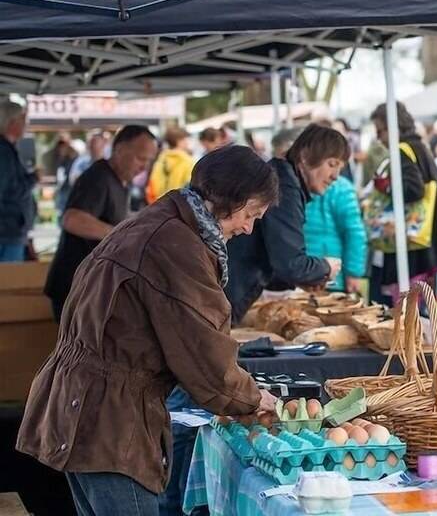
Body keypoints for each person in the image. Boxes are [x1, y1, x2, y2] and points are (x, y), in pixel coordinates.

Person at [17, 146, 281, 516]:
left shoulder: (161, 221)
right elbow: (205, 355)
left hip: (83, 408)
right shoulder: (175, 245)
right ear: (230, 198)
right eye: (250, 214)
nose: (248, 227)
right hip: (108, 421)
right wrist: (253, 399)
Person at [226, 123, 345, 323]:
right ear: (306, 157)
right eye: (332, 164)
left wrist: (301, 279)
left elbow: (273, 260)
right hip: (224, 294)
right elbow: (291, 264)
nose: (335, 176)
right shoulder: (285, 187)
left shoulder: (284, 181)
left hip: (226, 292)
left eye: (340, 168)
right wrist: (326, 267)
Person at [44, 125, 158, 320]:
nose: (143, 167)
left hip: (92, 286)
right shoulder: (98, 177)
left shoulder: (120, 180)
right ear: (119, 149)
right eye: (140, 159)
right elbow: (73, 219)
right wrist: (120, 234)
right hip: (75, 287)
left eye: (148, 161)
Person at [368, 102, 437, 306]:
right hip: (428, 246)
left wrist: (385, 187)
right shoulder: (420, 148)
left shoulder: (402, 151)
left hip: (413, 249)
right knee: (422, 310)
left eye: (381, 131)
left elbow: (414, 189)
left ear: (394, 127)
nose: (379, 138)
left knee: (409, 313)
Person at [303, 175, 367, 293]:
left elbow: (354, 232)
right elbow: (354, 232)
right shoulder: (342, 187)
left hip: (327, 277)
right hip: (314, 273)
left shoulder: (341, 188)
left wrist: (353, 272)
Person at [0, 101, 36, 262]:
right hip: (7, 232)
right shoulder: (4, 152)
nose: (25, 124)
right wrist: (33, 178)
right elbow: (10, 190)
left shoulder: (8, 150)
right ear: (12, 121)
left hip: (11, 230)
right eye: (23, 119)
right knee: (9, 283)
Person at [147, 126, 194, 204]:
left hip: (159, 204)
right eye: (185, 139)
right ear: (179, 141)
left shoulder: (161, 159)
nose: (187, 142)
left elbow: (153, 183)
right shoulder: (187, 161)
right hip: (180, 206)